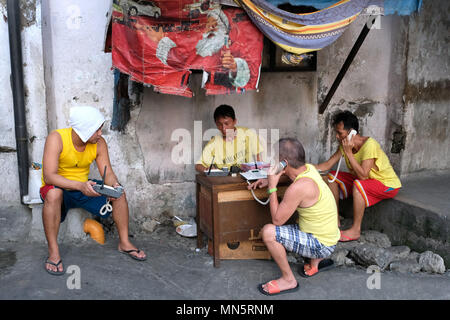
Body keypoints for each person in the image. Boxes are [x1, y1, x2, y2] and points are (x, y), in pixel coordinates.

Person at [40, 106, 146, 276]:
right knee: (54, 194)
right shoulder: (57, 138)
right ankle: (53, 253)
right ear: (84, 129)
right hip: (59, 187)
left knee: (119, 194)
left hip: (83, 186)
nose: (100, 134)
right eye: (96, 130)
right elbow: (50, 176)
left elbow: (108, 173)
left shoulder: (99, 143)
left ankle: (124, 243)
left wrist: (115, 185)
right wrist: (80, 186)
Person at [248, 138, 340, 295]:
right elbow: (291, 176)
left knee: (269, 232)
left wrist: (272, 187)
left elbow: (277, 220)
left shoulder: (298, 187)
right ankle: (314, 263)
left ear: (283, 163)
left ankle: (288, 279)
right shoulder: (309, 169)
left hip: (321, 244)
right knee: (303, 218)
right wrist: (267, 178)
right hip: (328, 235)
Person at [316, 111, 402, 242]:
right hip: (367, 181)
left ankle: (355, 230)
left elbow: (362, 175)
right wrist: (304, 168)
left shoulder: (369, 145)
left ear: (352, 132)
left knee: (358, 184)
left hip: (387, 185)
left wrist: (349, 153)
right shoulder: (344, 145)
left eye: (340, 133)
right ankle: (335, 217)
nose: (337, 136)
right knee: (331, 176)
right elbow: (327, 165)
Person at [135, 7, 253, 93]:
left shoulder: (227, 51)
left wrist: (234, 67)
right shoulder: (194, 41)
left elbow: (243, 79)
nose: (210, 28)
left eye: (214, 27)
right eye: (209, 25)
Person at [195, 104, 264, 173]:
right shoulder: (214, 143)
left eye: (227, 124)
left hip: (248, 178)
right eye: (219, 124)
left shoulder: (249, 134)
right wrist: (207, 170)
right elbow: (198, 165)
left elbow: (259, 158)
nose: (224, 128)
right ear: (216, 123)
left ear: (234, 121)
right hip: (227, 181)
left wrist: (258, 173)